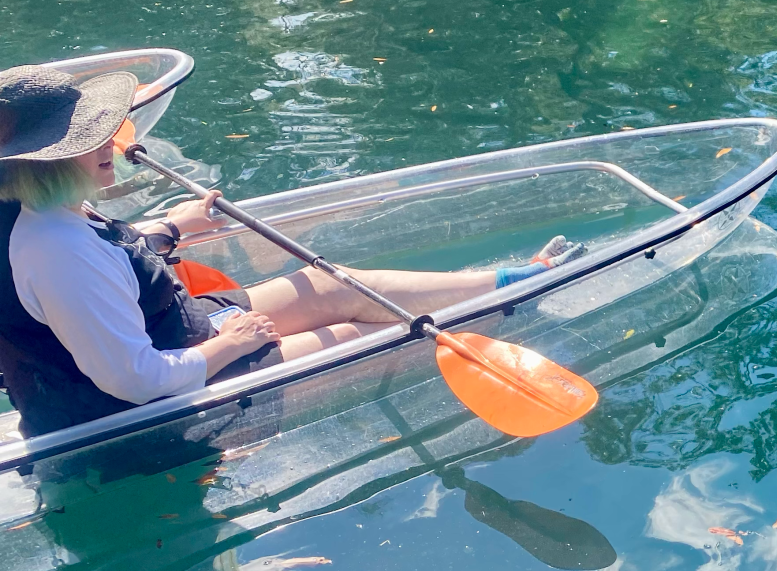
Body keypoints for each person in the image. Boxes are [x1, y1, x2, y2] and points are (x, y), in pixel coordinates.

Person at [0, 64, 579, 438]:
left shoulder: (45, 211)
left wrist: (169, 229)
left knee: (332, 285)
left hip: (180, 332)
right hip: (156, 409)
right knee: (369, 337)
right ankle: (513, 308)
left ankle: (516, 281)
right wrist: (230, 345)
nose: (115, 139)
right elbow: (134, 380)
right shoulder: (54, 248)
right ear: (37, 163)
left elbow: (100, 268)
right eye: (87, 138)